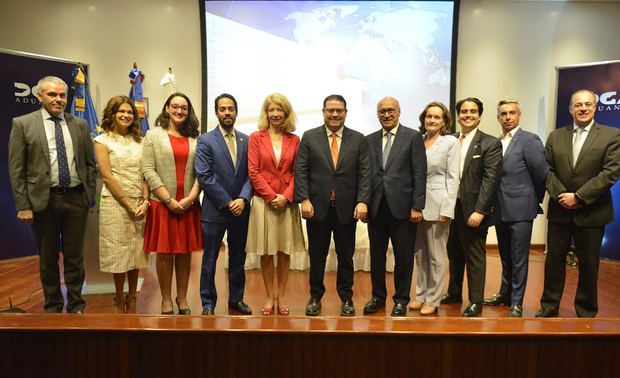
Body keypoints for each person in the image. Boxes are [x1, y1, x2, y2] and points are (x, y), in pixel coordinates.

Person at [8, 76, 96, 313]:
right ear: (39, 96)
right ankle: (53, 306)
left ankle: (77, 305)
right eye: (52, 95)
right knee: (48, 260)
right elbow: (16, 169)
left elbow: (89, 164)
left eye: (62, 95)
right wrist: (23, 205)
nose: (58, 99)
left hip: (76, 199)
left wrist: (89, 195)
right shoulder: (23, 124)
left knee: (75, 258)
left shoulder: (79, 124)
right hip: (42, 202)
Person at [537, 89, 620, 318]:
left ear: (595, 107)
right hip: (560, 210)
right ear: (570, 109)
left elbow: (610, 172)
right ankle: (549, 306)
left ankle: (586, 310)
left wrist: (579, 197)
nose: (583, 108)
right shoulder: (555, 136)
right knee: (553, 262)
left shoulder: (612, 135)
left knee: (589, 265)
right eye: (578, 105)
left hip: (593, 211)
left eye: (588, 104)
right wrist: (563, 196)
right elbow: (546, 170)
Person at [295, 94, 371, 316]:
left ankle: (346, 298)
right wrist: (304, 199)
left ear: (346, 112)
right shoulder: (309, 137)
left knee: (346, 256)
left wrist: (363, 201)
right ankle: (315, 297)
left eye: (339, 110)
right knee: (317, 255)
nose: (335, 114)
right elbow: (301, 170)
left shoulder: (358, 139)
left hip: (347, 209)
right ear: (323, 112)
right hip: (316, 207)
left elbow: (365, 174)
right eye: (330, 110)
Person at [483, 100, 548, 318]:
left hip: (521, 209)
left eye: (512, 113)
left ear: (520, 115)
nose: (508, 117)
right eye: (504, 113)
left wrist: (531, 199)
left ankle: (517, 303)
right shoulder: (497, 142)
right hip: (500, 209)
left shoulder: (529, 140)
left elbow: (541, 175)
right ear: (498, 117)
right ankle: (505, 294)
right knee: (506, 257)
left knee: (519, 258)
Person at [363, 97, 426, 317]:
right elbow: (365, 175)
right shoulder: (369, 140)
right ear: (377, 114)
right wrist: (363, 202)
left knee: (403, 257)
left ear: (399, 112)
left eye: (390, 111)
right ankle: (378, 298)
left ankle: (401, 299)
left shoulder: (413, 137)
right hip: (376, 208)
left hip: (404, 208)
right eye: (382, 111)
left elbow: (419, 172)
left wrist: (418, 206)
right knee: (377, 256)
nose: (386, 115)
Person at [441, 97, 502, 317]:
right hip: (450, 207)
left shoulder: (489, 143)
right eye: (464, 111)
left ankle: (476, 301)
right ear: (457, 115)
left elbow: (491, 180)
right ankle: (454, 292)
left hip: (473, 209)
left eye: (473, 111)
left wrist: (480, 210)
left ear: (480, 115)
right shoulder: (449, 139)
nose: (468, 115)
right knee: (454, 252)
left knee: (474, 256)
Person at [246, 94, 307, 316]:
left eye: (279, 110)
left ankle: (280, 295)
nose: (275, 114)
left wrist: (286, 196)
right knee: (265, 252)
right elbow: (253, 171)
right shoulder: (256, 137)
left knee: (283, 251)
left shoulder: (295, 139)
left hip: (287, 203)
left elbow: (297, 172)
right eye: (271, 110)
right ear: (266, 113)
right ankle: (268, 295)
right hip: (265, 202)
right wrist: (272, 196)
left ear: (286, 113)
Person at [142, 92, 202, 315]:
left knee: (185, 253)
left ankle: (182, 298)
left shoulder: (196, 138)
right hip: (162, 205)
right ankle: (166, 299)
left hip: (188, 205)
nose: (179, 111)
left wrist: (191, 198)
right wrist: (168, 199)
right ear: (167, 108)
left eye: (184, 108)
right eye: (175, 106)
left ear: (189, 111)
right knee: (165, 254)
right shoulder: (153, 135)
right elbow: (148, 169)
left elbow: (201, 172)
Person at [195, 93, 253, 316]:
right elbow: (204, 176)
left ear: (236, 112)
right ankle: (208, 303)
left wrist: (243, 199)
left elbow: (251, 174)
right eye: (222, 109)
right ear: (216, 112)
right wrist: (228, 202)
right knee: (210, 258)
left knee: (238, 257)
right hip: (215, 210)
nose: (227, 112)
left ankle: (236, 299)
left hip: (241, 210)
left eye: (230, 108)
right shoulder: (205, 140)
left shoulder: (247, 140)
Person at [94, 96, 150, 313]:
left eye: (129, 112)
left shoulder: (141, 141)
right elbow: (107, 177)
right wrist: (128, 205)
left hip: (140, 204)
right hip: (115, 204)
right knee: (118, 253)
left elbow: (146, 173)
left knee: (136, 253)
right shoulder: (102, 141)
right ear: (112, 114)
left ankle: (132, 297)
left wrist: (145, 201)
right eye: (121, 112)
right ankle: (118, 297)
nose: (126, 115)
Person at [409, 102, 459, 315]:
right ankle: (420, 295)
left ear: (445, 121)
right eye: (429, 116)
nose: (432, 120)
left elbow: (453, 176)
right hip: (416, 206)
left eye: (437, 117)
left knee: (437, 256)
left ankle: (434, 298)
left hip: (439, 204)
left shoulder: (450, 142)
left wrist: (447, 209)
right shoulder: (418, 140)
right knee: (420, 254)